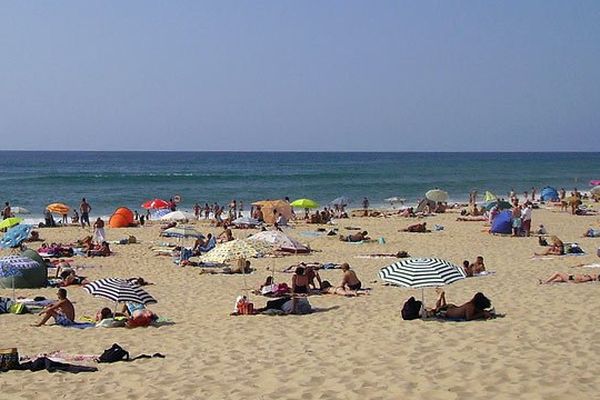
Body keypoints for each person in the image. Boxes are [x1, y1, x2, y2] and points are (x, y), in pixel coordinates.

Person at [426, 289, 493, 321]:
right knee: (436, 310)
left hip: (452, 309)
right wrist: (482, 314)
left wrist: (483, 312)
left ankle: (442, 296)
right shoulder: (470, 306)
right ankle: (440, 296)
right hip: (448, 312)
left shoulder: (471, 305)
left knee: (440, 308)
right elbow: (469, 318)